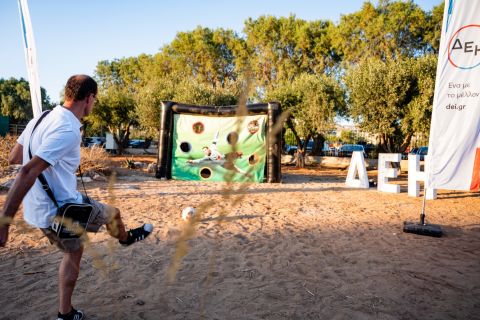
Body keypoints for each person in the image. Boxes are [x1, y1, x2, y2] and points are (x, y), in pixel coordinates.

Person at [0, 75, 153, 320]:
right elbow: (28, 170)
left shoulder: (41, 117)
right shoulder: (68, 129)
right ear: (89, 97)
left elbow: (14, 158)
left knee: (108, 218)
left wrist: (52, 166)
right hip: (60, 211)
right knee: (82, 245)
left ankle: (124, 238)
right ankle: (66, 313)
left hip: (37, 208)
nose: (94, 104)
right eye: (96, 100)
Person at [186, 131, 251, 178]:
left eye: (205, 150)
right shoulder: (207, 157)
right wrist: (192, 161)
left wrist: (217, 131)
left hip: (225, 157)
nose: (205, 152)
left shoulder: (212, 147)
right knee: (237, 169)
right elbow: (199, 160)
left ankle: (239, 155)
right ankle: (246, 174)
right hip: (224, 164)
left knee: (235, 154)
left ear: (208, 149)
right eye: (204, 151)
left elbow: (215, 140)